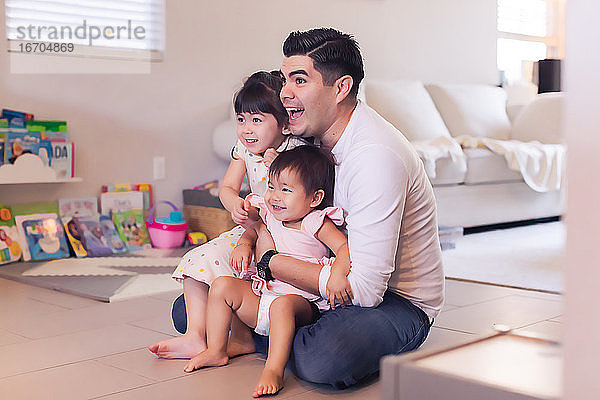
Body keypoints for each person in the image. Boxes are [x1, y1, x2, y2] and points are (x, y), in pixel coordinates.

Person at [170, 28, 445, 389]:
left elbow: (364, 291)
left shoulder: (375, 157)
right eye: (284, 79)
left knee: (325, 356)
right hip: (320, 283)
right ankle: (272, 334)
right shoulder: (305, 141)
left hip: (393, 301)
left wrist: (269, 261)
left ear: (341, 88)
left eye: (299, 80)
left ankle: (261, 337)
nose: (284, 93)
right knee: (188, 306)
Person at [148, 71, 308, 360]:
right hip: (249, 227)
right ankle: (195, 336)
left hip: (282, 235)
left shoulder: (296, 151)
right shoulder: (244, 151)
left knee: (248, 267)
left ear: (284, 123)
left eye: (256, 120)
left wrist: (280, 166)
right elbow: (227, 187)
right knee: (198, 260)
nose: (246, 129)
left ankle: (243, 334)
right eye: (241, 120)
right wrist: (234, 202)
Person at [183, 145, 351, 397]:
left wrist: (337, 274)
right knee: (222, 285)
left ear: (314, 199)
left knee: (281, 306)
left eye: (285, 190)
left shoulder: (315, 221)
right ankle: (221, 348)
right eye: (271, 186)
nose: (274, 196)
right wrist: (243, 244)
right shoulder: (270, 216)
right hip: (265, 295)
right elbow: (251, 231)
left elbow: (344, 248)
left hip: (301, 302)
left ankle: (274, 369)